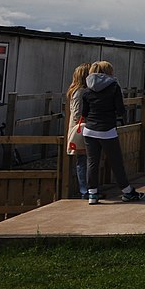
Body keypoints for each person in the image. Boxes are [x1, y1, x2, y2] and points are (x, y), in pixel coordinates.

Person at [80, 61, 144, 204]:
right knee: (116, 162)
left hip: (89, 130)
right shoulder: (114, 87)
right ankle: (127, 192)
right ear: (108, 72)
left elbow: (84, 112)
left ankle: (92, 194)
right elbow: (120, 109)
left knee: (92, 162)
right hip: (107, 130)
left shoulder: (87, 88)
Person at [65, 62, 92, 198]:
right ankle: (84, 190)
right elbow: (77, 114)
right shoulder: (80, 92)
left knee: (85, 160)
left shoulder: (77, 91)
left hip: (79, 128)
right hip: (81, 129)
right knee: (83, 160)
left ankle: (87, 190)